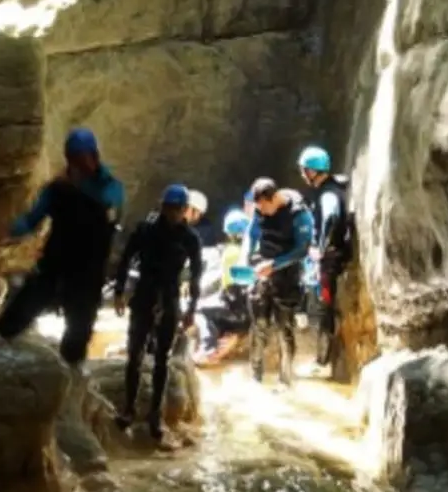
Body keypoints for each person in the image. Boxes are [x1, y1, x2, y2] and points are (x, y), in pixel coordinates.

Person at [0, 127, 124, 375]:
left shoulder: (109, 187)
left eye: (80, 159)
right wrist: (6, 230)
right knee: (13, 319)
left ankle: (70, 385)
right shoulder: (57, 189)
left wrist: (77, 188)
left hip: (87, 273)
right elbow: (32, 219)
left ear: (94, 157)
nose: (76, 165)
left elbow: (111, 205)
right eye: (72, 160)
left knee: (78, 334)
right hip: (55, 266)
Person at [112, 184, 204, 439]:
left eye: (178, 209)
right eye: (169, 208)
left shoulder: (190, 238)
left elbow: (196, 275)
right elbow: (126, 258)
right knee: (134, 354)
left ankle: (156, 415)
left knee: (162, 358)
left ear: (185, 210)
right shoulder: (146, 230)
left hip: (170, 296)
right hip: (144, 294)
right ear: (162, 207)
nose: (173, 213)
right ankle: (129, 409)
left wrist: (192, 310)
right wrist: (119, 291)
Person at [245, 177, 315, 387]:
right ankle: (255, 378)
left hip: (287, 272)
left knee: (285, 328)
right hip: (263, 270)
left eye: (265, 207)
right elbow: (252, 232)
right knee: (259, 325)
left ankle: (285, 380)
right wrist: (245, 257)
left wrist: (274, 265)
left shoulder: (299, 214)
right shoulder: (260, 210)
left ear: (275, 197)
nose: (262, 212)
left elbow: (302, 249)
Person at [297, 145, 352, 373]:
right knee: (323, 308)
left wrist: (321, 248)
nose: (302, 175)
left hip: (330, 260)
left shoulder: (328, 193)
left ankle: (323, 361)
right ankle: (325, 359)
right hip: (332, 258)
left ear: (312, 171)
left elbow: (331, 217)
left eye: (304, 170)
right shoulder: (333, 189)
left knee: (324, 309)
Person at [192, 208, 253, 367]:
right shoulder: (254, 250)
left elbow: (231, 285)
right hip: (251, 312)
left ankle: (208, 349)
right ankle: (233, 334)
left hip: (240, 314)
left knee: (201, 310)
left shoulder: (231, 252)